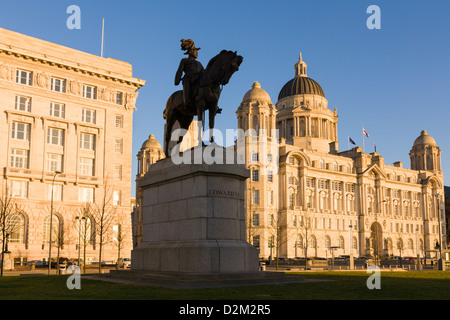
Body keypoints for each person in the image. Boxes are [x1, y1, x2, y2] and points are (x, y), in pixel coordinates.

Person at [175, 39, 204, 111]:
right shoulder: (184, 60)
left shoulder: (199, 63)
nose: (197, 53)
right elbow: (179, 71)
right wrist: (177, 79)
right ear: (191, 51)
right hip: (188, 78)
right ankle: (187, 102)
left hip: (198, 79)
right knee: (187, 83)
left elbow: (205, 72)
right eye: (196, 51)